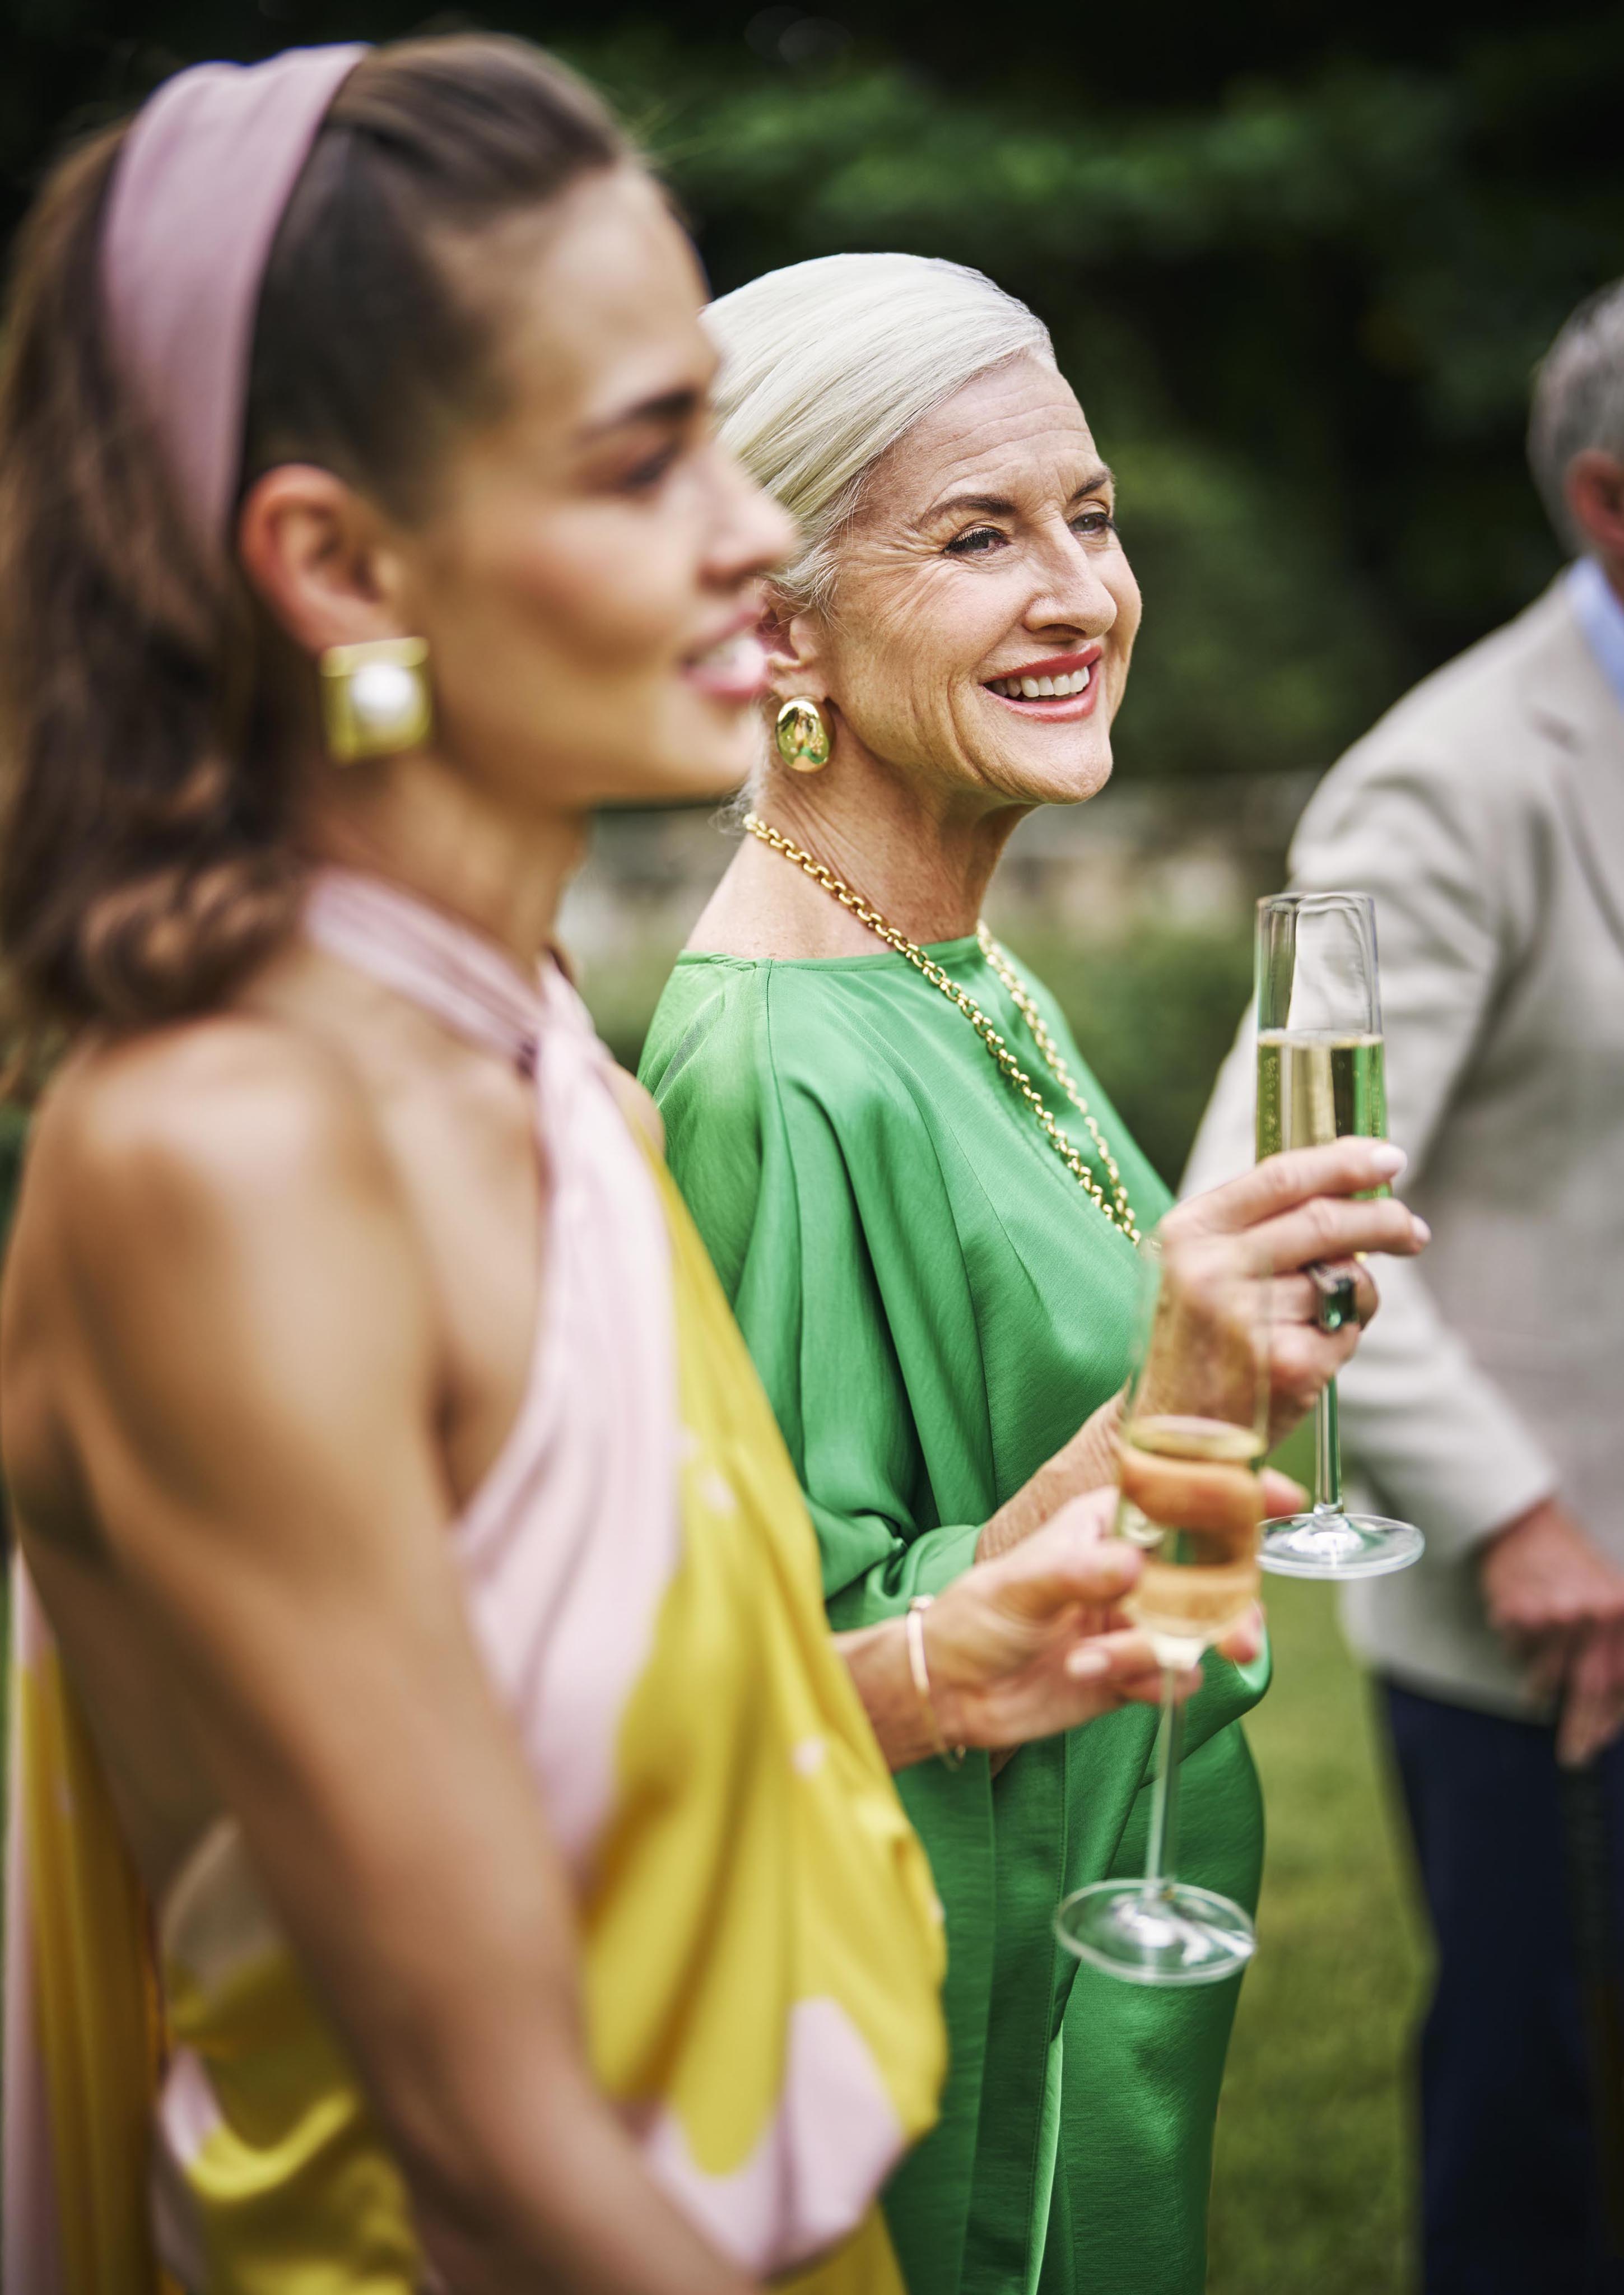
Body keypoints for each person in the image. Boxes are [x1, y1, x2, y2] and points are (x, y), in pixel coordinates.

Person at [0, 49, 1241, 2295]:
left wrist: (953, 1647)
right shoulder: (233, 1162)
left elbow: (631, 1769)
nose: (755, 535)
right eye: (643, 453)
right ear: (339, 562)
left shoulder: (555, 1060)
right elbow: (480, 2138)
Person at [639, 251, 1428, 2295]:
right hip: (957, 2056)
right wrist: (1170, 1394)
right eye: (976, 535)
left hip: (1103, 1973)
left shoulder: (959, 963)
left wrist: (1237, 1376)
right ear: (777, 620)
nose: (1077, 592)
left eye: (1089, 514)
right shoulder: (769, 1057)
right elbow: (781, 1683)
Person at [1185, 279, 1624, 2292]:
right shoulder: (1439, 784)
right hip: (1556, 1613)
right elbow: (1274, 1199)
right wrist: (1526, 1523)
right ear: (1608, 500)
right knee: (1551, 2134)